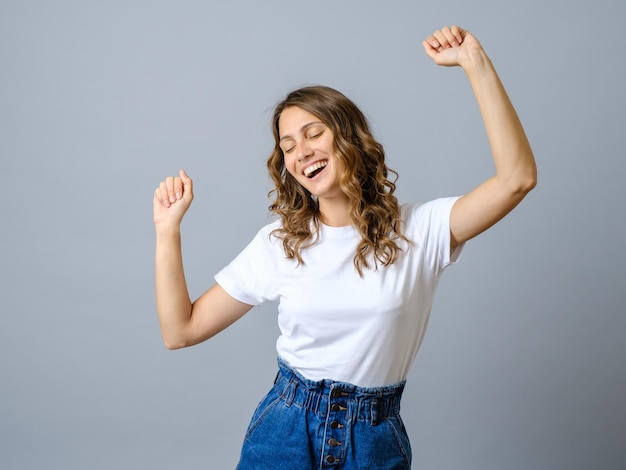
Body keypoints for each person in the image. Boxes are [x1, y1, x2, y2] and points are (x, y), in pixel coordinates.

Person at [153, 25, 536, 470]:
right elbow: (180, 331)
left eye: (313, 133)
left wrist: (475, 63)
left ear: (347, 135)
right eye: (288, 146)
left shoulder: (421, 229)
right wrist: (167, 231)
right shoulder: (279, 244)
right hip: (285, 432)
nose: (301, 152)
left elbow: (517, 180)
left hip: (372, 441)